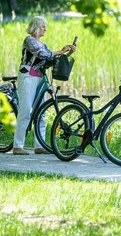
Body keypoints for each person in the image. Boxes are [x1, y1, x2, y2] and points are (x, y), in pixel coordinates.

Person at [13, 16, 76, 155]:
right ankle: (18, 146)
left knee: (42, 112)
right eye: (43, 26)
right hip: (28, 76)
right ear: (36, 27)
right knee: (25, 110)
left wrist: (69, 52)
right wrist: (60, 50)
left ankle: (39, 145)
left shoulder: (44, 44)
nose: (45, 29)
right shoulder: (29, 40)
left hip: (40, 78)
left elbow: (52, 58)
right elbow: (41, 54)